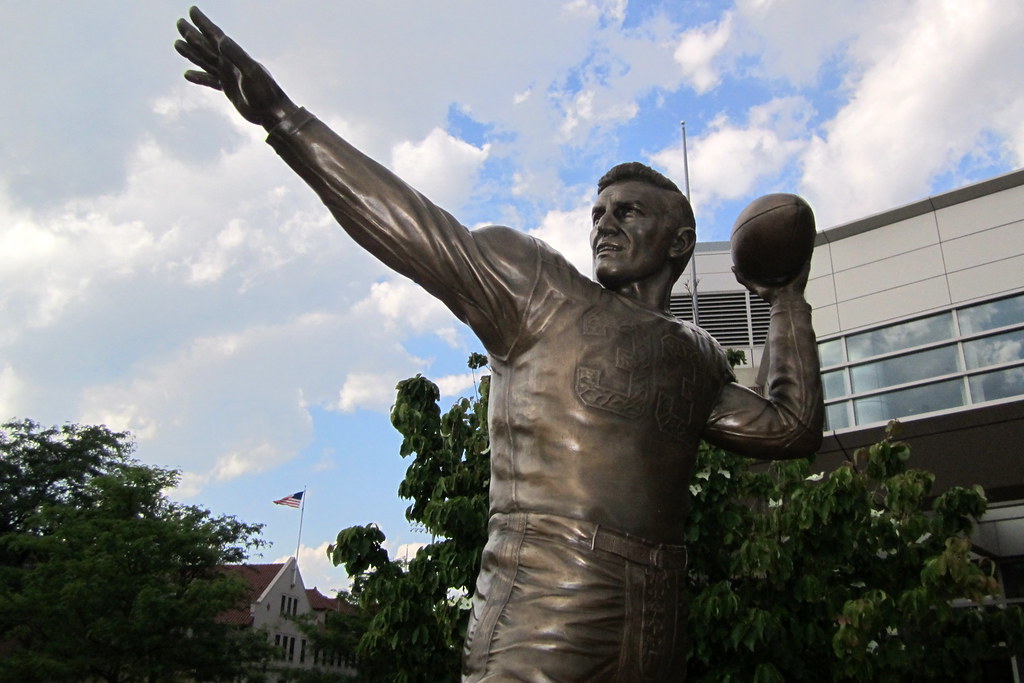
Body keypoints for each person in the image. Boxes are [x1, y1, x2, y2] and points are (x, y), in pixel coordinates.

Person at [175, 7, 823, 681]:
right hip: (552, 596)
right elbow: (413, 227)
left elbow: (790, 428)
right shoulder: (539, 289)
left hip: (657, 610)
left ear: (679, 240)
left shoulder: (697, 353)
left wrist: (785, 298)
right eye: (597, 212)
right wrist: (285, 120)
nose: (604, 223)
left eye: (627, 211)